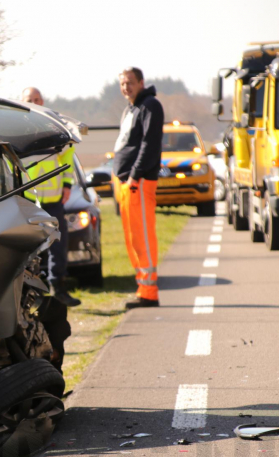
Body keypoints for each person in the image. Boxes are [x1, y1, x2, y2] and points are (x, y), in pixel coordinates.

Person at [20, 86, 80, 307]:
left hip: (54, 200)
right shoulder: (15, 128)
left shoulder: (53, 126)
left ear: (43, 101)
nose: (34, 102)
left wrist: (66, 184)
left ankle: (59, 290)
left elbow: (67, 157)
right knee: (30, 249)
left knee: (58, 247)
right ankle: (32, 295)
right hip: (28, 202)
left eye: (37, 99)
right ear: (22, 102)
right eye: (29, 99)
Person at [112, 67, 164, 309]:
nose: (126, 87)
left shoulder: (150, 106)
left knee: (142, 237)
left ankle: (150, 293)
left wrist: (134, 175)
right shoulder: (130, 109)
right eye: (123, 83)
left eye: (130, 82)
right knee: (133, 238)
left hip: (139, 183)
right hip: (126, 183)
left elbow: (149, 144)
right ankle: (143, 289)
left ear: (141, 82)